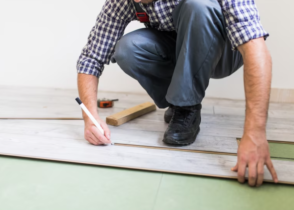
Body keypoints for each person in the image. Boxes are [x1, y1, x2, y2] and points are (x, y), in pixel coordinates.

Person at [76, 0, 278, 187]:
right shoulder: (124, 2)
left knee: (198, 6)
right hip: (181, 47)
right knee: (128, 49)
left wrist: (255, 134)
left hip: (225, 52)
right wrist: (90, 117)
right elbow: (91, 57)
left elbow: (255, 48)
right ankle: (182, 106)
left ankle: (186, 104)